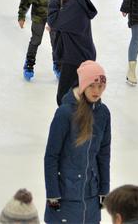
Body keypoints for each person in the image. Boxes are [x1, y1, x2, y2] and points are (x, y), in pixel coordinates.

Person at [44, 60, 110, 224]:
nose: (97, 91)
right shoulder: (65, 113)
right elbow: (51, 156)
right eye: (92, 86)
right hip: (64, 195)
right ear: (83, 86)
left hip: (91, 194)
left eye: (101, 86)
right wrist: (52, 193)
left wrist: (104, 189)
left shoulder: (103, 114)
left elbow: (104, 154)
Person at [48, 0, 98, 106]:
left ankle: (74, 124)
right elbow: (63, 24)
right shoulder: (77, 2)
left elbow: (53, 20)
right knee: (79, 96)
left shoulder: (74, 6)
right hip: (81, 55)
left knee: (64, 98)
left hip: (76, 59)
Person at [18, 0, 58, 81]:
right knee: (36, 40)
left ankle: (58, 65)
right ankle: (29, 64)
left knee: (56, 42)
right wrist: (21, 15)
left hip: (54, 17)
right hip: (38, 15)